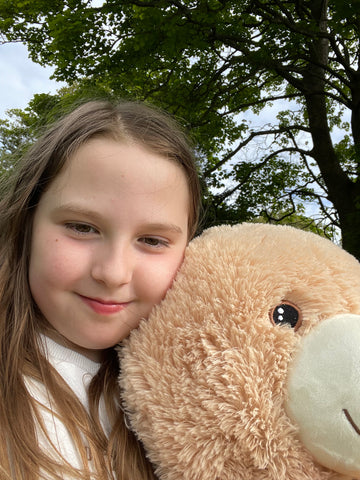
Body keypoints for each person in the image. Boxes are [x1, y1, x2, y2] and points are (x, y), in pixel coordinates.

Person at [0, 99, 201, 479]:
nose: (113, 273)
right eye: (82, 227)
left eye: (152, 240)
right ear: (26, 223)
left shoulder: (188, 399)